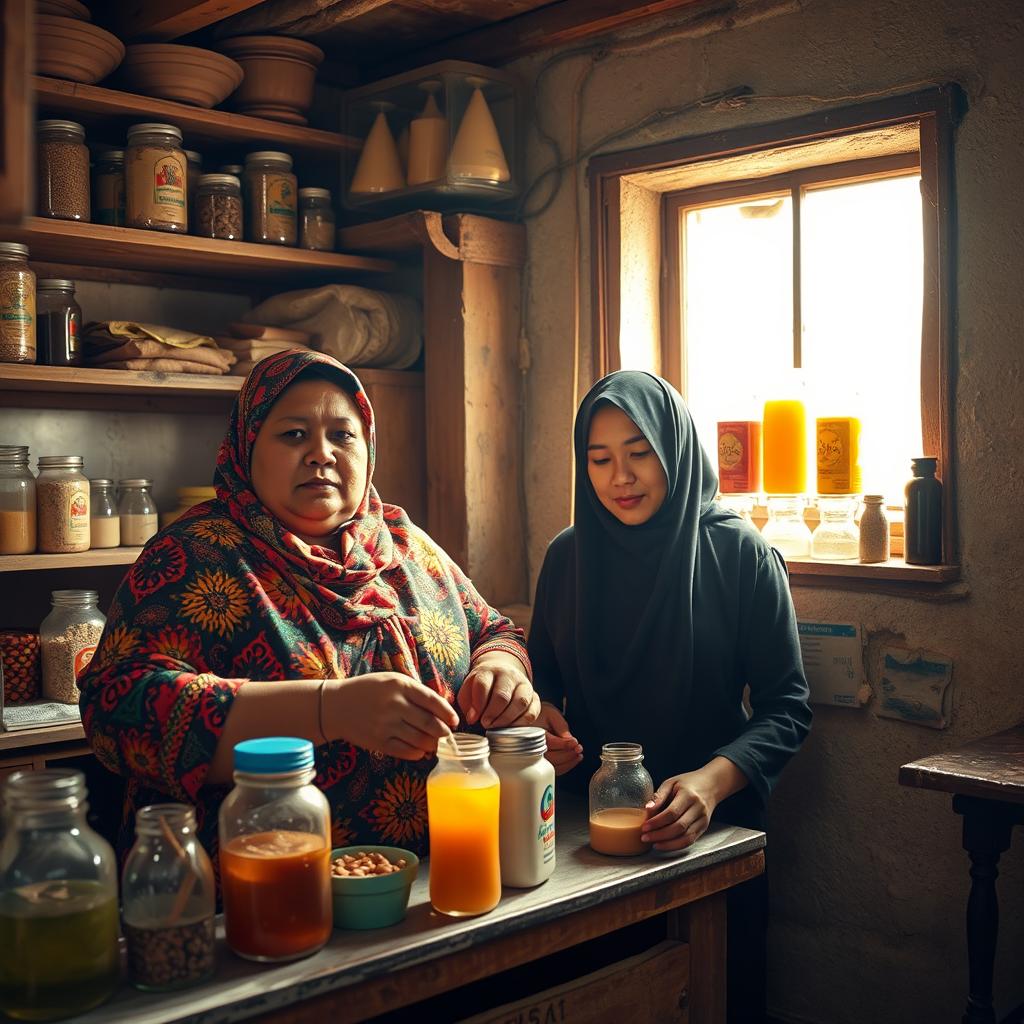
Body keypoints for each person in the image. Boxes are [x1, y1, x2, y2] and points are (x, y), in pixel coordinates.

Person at [79, 349, 537, 863]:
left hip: (432, 880)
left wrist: (501, 670)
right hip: (255, 895)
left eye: (343, 435)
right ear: (248, 446)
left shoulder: (405, 545)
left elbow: (492, 629)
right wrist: (327, 709)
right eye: (294, 434)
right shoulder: (194, 554)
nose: (322, 453)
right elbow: (115, 709)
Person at [529, 370, 812, 1023]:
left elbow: (788, 706)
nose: (619, 477)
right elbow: (540, 677)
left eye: (640, 452)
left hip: (708, 832)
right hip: (585, 834)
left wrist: (710, 786)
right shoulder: (568, 557)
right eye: (599, 459)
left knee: (715, 996)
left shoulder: (739, 552)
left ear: (676, 450)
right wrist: (542, 721)